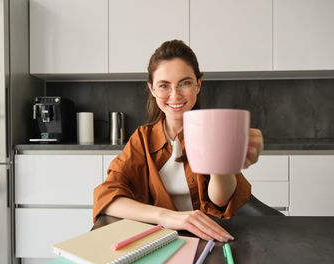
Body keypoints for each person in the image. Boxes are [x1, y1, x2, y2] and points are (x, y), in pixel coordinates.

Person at [93, 40, 263, 242]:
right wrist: (168, 217)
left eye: (185, 83)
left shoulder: (214, 129)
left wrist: (223, 163)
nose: (175, 95)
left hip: (208, 240)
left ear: (198, 85)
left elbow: (220, 201)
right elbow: (106, 197)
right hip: (159, 241)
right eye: (164, 85)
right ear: (152, 89)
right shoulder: (142, 139)